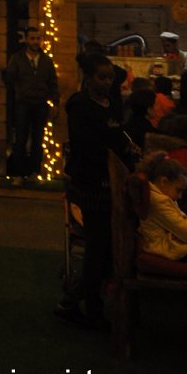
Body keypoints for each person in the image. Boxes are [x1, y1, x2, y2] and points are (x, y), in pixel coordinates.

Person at [56, 51, 137, 329]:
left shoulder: (112, 103)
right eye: (102, 77)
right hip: (90, 184)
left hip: (111, 182)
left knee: (106, 247)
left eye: (110, 77)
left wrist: (126, 149)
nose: (107, 82)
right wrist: (109, 156)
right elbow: (86, 146)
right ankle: (81, 303)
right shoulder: (79, 106)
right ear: (89, 78)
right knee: (98, 246)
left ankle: (85, 303)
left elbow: (116, 134)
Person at [4, 24, 59, 181]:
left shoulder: (47, 61)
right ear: (26, 40)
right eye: (33, 38)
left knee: (38, 140)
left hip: (41, 104)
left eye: (38, 38)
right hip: (23, 103)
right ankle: (19, 173)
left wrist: (55, 103)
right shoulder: (17, 58)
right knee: (20, 139)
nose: (36, 42)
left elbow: (53, 83)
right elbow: (10, 80)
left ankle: (34, 172)